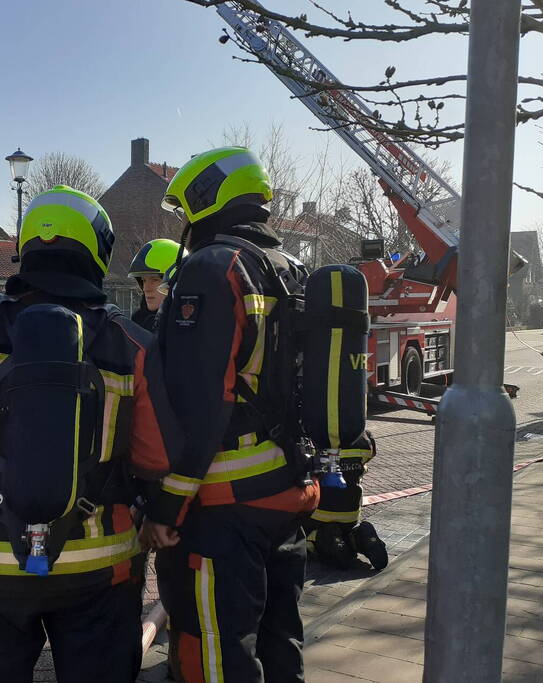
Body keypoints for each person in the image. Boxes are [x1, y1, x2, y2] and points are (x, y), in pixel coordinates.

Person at [0, 185, 179, 683]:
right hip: (100, 567)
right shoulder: (131, 342)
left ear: (27, 246)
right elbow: (157, 457)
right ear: (97, 249)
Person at [141, 147, 320, 682]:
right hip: (286, 488)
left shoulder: (213, 268)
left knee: (214, 648)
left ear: (205, 198)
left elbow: (200, 400)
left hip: (223, 503)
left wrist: (168, 506)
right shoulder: (290, 268)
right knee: (279, 637)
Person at [303, 431, 387, 571]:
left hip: (319, 514)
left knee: (303, 537)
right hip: (351, 514)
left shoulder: (314, 437)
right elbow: (367, 460)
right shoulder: (364, 438)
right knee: (349, 532)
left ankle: (327, 540)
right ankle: (360, 538)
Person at [127, 239, 187, 333]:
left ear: (175, 281)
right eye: (144, 280)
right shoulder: (135, 324)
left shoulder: (188, 327)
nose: (146, 288)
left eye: (154, 280)